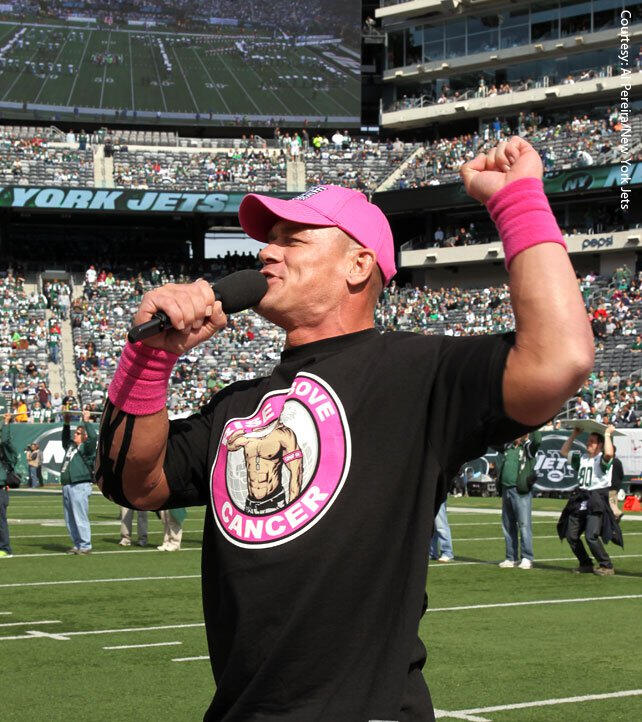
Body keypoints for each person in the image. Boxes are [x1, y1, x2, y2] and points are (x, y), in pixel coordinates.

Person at [96, 136, 594, 719]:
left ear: (360, 265)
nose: (267, 253)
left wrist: (517, 202)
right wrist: (150, 359)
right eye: (268, 240)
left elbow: (560, 358)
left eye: (292, 238)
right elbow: (135, 483)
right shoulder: (237, 404)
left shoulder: (418, 372)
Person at [557, 425, 622, 575]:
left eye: (592, 442)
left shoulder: (602, 459)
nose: (588, 444)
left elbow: (609, 453)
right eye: (588, 441)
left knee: (591, 536)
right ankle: (585, 563)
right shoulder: (583, 458)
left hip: (596, 500)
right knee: (571, 535)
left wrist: (606, 435)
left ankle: (607, 565)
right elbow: (563, 452)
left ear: (599, 445)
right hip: (581, 498)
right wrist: (574, 434)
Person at [495, 431, 542, 569]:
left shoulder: (527, 448)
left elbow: (538, 441)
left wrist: (534, 425)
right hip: (506, 490)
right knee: (508, 525)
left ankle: (527, 557)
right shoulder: (508, 448)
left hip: (520, 491)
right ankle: (511, 557)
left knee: (524, 525)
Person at [61, 409, 97, 555]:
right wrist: (66, 423)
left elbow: (93, 437)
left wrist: (86, 421)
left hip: (79, 485)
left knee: (80, 516)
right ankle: (77, 543)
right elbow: (64, 438)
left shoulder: (86, 449)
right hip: (68, 485)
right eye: (75, 432)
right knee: (70, 518)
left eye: (77, 433)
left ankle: (85, 545)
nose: (74, 434)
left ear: (84, 436)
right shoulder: (71, 446)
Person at [0, 413, 18, 558]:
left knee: (1, 521)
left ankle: (5, 549)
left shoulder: (8, 453)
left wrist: (6, 423)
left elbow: (5, 441)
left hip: (0, 489)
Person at [608, 444, 624, 522]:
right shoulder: (618, 461)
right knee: (614, 502)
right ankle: (615, 519)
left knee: (610, 503)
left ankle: (617, 513)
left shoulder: (607, 461)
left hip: (609, 486)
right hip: (616, 486)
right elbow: (621, 475)